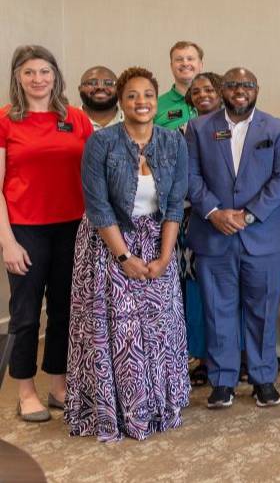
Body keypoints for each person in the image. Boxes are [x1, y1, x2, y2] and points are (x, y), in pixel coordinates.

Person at [66, 66, 190, 441]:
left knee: (158, 328)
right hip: (108, 245)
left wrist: (165, 256)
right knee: (119, 331)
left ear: (157, 100)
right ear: (121, 101)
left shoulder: (173, 142)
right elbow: (99, 206)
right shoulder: (101, 143)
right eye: (132, 95)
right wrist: (124, 257)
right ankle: (115, 413)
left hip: (157, 242)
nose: (141, 102)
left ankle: (157, 410)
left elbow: (174, 205)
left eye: (148, 95)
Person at [185, 67, 280, 409]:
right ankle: (223, 381)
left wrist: (248, 214)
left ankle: (264, 378)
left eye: (247, 85)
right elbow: (189, 175)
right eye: (233, 84)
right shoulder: (198, 128)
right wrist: (214, 212)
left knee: (262, 311)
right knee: (218, 310)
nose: (240, 90)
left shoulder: (278, 128)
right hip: (213, 233)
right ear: (223, 90)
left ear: (257, 89)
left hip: (264, 236)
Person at [2, 45, 94, 422]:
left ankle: (59, 384)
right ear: (18, 78)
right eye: (29, 73)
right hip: (25, 229)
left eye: (44, 72)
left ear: (55, 76)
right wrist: (6, 241)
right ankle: (25, 390)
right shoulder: (6, 120)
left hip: (72, 227)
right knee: (25, 315)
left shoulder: (75, 118)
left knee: (64, 311)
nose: (38, 79)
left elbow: (93, 175)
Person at [181, 71, 225, 387]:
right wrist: (210, 209)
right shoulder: (186, 131)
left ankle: (237, 355)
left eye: (209, 89)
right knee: (199, 292)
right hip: (197, 219)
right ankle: (205, 357)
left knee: (234, 292)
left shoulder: (239, 128)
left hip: (236, 220)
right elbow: (187, 177)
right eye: (196, 92)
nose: (202, 95)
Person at [156, 41, 203, 130]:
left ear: (200, 65)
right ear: (171, 66)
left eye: (190, 59)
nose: (185, 63)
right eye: (179, 59)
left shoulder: (217, 103)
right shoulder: (155, 105)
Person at [78, 66, 122, 131]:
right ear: (80, 89)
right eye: (92, 83)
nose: (100, 87)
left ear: (119, 89)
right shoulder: (66, 121)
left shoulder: (134, 121)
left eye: (108, 83)